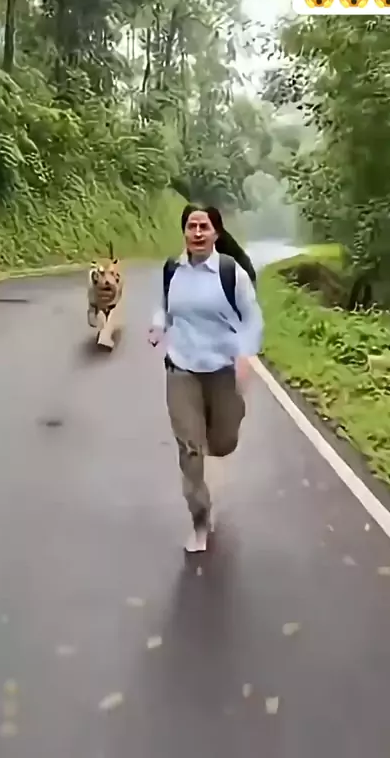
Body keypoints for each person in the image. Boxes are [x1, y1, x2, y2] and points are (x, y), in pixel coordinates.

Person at [148, 204, 263, 553]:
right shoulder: (173, 270)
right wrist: (158, 326)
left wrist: (245, 354)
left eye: (204, 227)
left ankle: (210, 441)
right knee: (190, 451)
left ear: (216, 233)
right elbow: (164, 306)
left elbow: (252, 318)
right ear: (184, 231)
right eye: (191, 226)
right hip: (182, 369)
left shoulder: (231, 273)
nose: (197, 233)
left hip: (223, 370)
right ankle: (200, 521)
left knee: (224, 442)